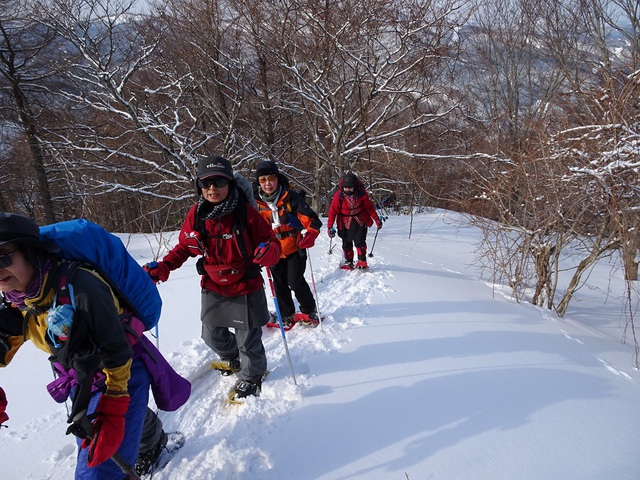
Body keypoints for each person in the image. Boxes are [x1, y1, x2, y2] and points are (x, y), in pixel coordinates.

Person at [0, 212, 189, 479]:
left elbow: (116, 351)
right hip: (82, 377)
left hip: (123, 370)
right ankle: (151, 438)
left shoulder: (81, 285)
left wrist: (113, 408)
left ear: (30, 251)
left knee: (97, 472)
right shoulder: (17, 300)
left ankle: (138, 434)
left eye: (3, 257)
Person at [144, 156, 281, 399]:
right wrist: (164, 267)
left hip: (245, 282)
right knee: (211, 334)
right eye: (206, 183)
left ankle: (252, 376)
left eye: (219, 182)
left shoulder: (245, 212)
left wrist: (268, 251)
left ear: (229, 184)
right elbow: (184, 248)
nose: (212, 188)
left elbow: (270, 241)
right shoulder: (196, 215)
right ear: (199, 187)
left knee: (247, 339)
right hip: (213, 283)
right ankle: (232, 358)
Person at [254, 160, 323, 327]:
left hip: (295, 247)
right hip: (273, 251)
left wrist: (311, 235)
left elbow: (312, 220)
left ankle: (309, 310)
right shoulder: (256, 203)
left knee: (295, 281)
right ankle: (287, 315)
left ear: (277, 178)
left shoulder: (291, 197)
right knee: (279, 284)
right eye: (263, 180)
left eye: (271, 178)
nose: (267, 183)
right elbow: (253, 229)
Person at [326, 172, 383, 269]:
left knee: (360, 241)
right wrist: (330, 227)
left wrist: (377, 219)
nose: (348, 189)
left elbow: (369, 207)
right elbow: (332, 211)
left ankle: (362, 260)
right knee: (346, 242)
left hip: (359, 220)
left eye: (350, 187)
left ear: (355, 187)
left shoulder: (361, 194)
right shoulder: (339, 196)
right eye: (346, 187)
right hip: (344, 222)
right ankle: (349, 261)